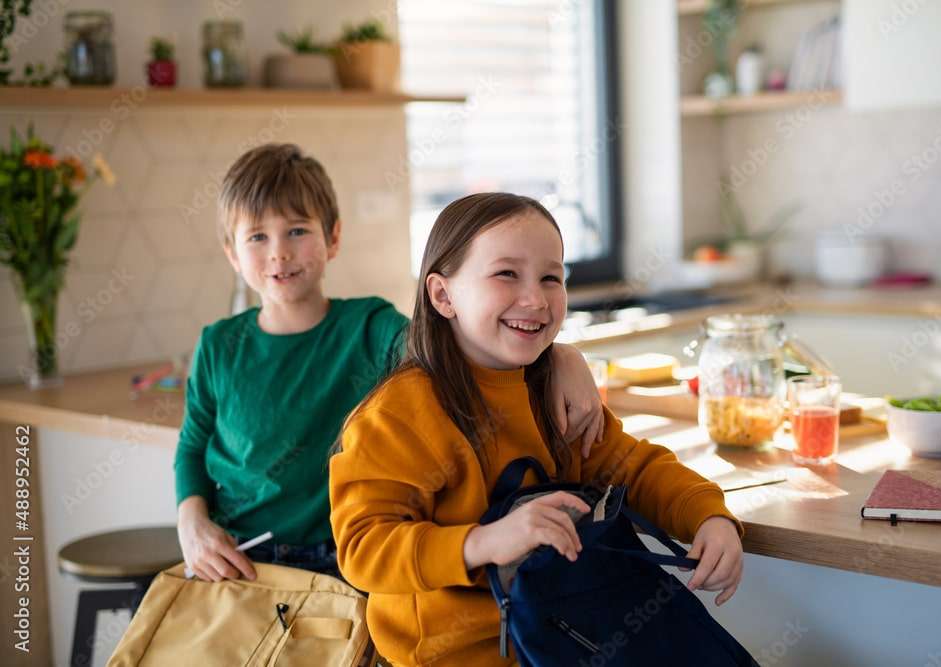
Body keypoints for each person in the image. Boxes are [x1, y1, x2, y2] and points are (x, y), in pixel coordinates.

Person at [329, 192, 745, 666]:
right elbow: (363, 548)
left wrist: (707, 516)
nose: (534, 298)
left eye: (551, 277)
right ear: (443, 296)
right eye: (507, 274)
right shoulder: (399, 414)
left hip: (565, 639)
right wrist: (482, 542)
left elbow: (632, 466)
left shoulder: (554, 390)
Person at [174, 146, 605, 582]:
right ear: (232, 253)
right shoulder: (218, 345)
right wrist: (190, 520)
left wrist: (560, 356)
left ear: (334, 238)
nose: (279, 253)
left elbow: (454, 348)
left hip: (339, 563)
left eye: (298, 231)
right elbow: (193, 446)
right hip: (238, 559)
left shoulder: (370, 327)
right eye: (257, 237)